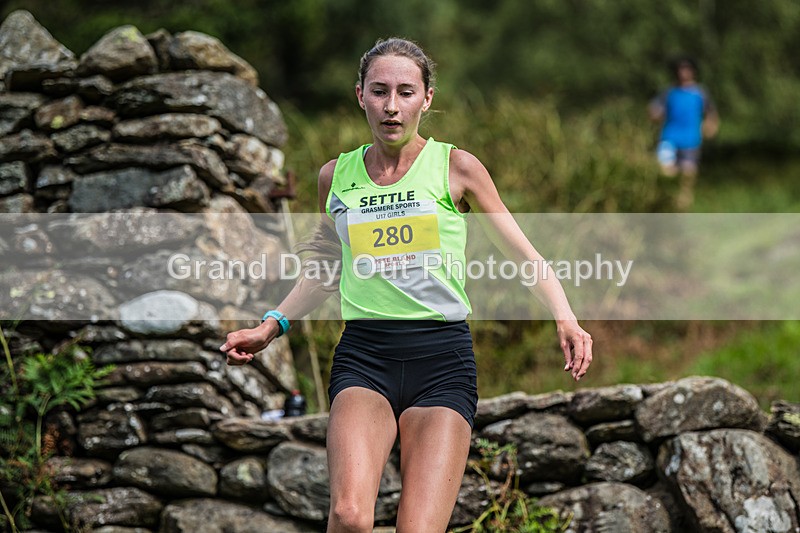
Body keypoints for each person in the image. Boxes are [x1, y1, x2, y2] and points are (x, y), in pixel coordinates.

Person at [219, 37, 593, 533]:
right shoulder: (336, 176)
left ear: (427, 98)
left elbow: (524, 254)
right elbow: (327, 269)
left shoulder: (457, 167)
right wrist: (271, 325)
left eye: (405, 92)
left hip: (441, 360)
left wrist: (565, 316)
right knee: (350, 516)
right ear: (360, 95)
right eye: (379, 91)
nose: (391, 106)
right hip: (365, 357)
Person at [649, 56, 719, 209]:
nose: (683, 73)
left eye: (686, 69)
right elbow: (654, 110)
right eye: (680, 69)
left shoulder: (700, 93)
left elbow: (711, 113)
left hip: (691, 139)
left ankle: (683, 206)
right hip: (669, 137)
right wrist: (655, 114)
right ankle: (665, 201)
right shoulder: (669, 92)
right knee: (665, 171)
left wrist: (711, 126)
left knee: (688, 175)